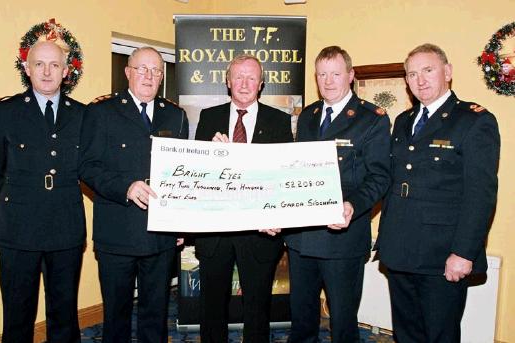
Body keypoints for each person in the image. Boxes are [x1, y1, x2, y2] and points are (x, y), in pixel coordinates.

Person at [376, 43, 500, 343]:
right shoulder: (404, 121)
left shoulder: (473, 120)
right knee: (406, 334)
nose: (420, 80)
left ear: (447, 72)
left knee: (439, 335)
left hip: (441, 254)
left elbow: (480, 193)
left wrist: (463, 252)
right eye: (412, 74)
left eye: (428, 70)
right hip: (400, 250)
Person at [79, 46, 188, 343]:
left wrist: (180, 222)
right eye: (142, 69)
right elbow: (87, 167)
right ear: (128, 72)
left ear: (163, 76)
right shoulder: (101, 112)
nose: (149, 76)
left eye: (156, 71)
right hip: (117, 232)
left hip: (160, 234)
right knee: (117, 316)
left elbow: (183, 172)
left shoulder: (175, 116)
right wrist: (125, 187)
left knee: (156, 314)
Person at [284, 46, 391, 343]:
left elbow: (380, 177)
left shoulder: (372, 119)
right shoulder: (308, 116)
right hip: (301, 236)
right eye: (321, 74)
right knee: (302, 319)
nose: (328, 81)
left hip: (342, 237)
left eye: (335, 73)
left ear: (350, 76)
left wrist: (352, 205)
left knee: (343, 323)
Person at [0, 40, 86, 342]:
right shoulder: (6, 112)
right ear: (27, 69)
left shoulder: (82, 115)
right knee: (18, 314)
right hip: (17, 227)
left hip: (66, 225)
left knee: (64, 314)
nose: (47, 71)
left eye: (55, 65)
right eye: (39, 64)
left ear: (66, 71)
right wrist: (22, 200)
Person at [194, 54, 293, 343]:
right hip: (215, 231)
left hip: (259, 233)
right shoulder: (208, 117)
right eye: (238, 76)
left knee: (257, 308)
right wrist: (213, 158)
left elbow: (281, 177)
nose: (245, 83)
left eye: (252, 77)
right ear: (228, 81)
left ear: (261, 84)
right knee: (211, 306)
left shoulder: (279, 120)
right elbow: (197, 175)